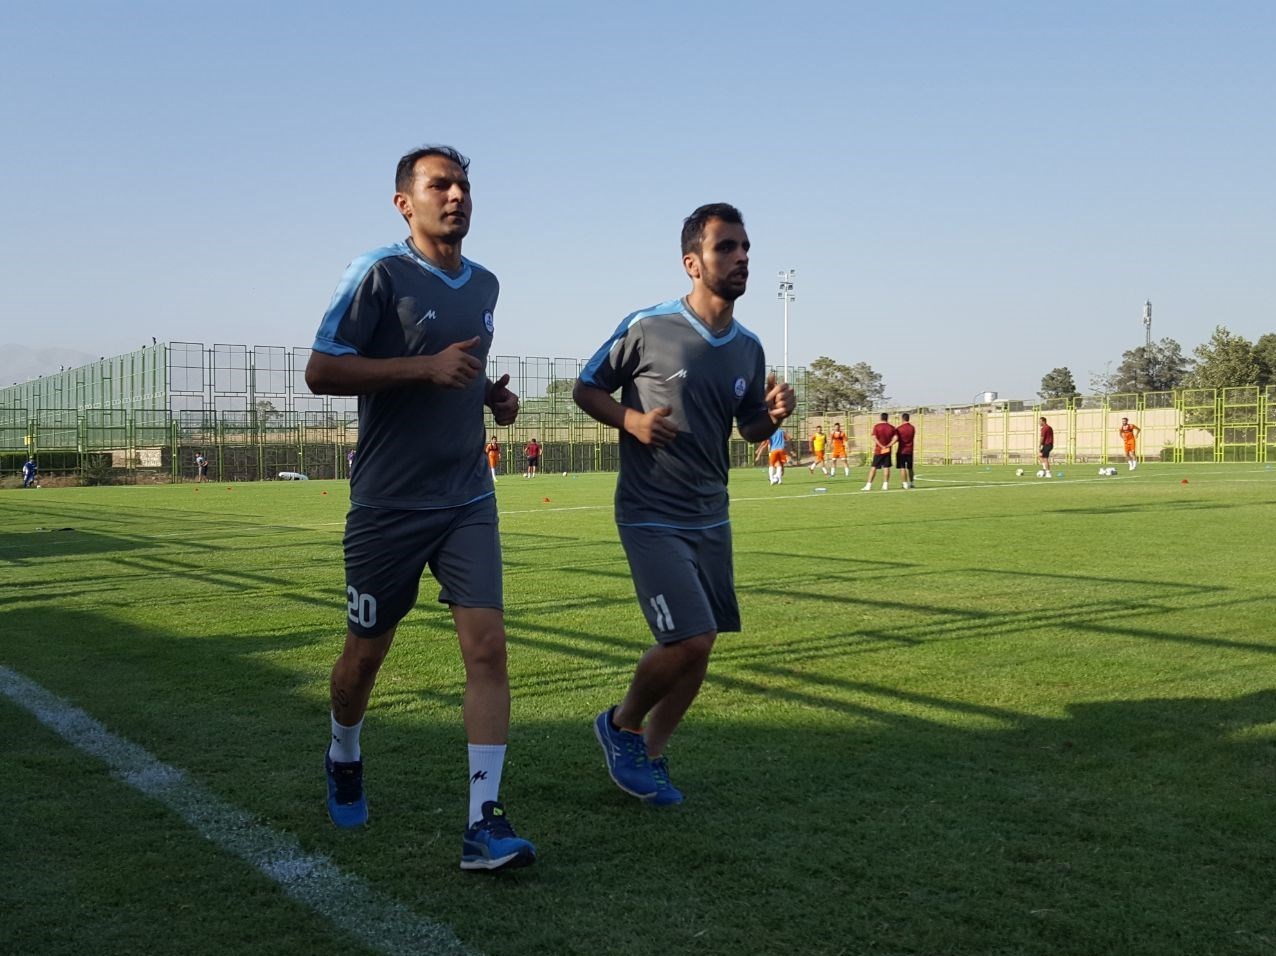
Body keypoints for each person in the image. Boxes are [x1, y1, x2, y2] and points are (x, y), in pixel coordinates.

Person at [304, 144, 535, 872]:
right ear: (405, 203)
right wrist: (424, 367)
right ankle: (344, 750)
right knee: (364, 656)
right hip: (389, 504)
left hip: (467, 497)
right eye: (440, 185)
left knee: (488, 648)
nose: (456, 195)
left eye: (463, 184)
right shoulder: (377, 271)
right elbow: (321, 370)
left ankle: (483, 822)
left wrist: (491, 398)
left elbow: (459, 372)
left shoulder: (487, 283)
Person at [573, 202, 794, 806]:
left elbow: (747, 427)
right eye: (727, 248)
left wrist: (772, 417)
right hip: (650, 511)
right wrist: (632, 421)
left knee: (703, 643)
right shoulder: (649, 326)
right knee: (690, 638)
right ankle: (620, 724)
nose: (741, 258)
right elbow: (586, 387)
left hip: (711, 514)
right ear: (692, 263)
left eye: (745, 248)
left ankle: (651, 752)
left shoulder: (748, 347)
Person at [862, 413, 896, 491]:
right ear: (887, 418)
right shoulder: (891, 427)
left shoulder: (877, 426)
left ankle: (868, 485)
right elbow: (896, 437)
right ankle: (885, 485)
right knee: (886, 467)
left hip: (878, 450)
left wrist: (881, 446)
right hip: (887, 450)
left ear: (881, 418)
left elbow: (874, 437)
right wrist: (889, 445)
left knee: (873, 467)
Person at [895, 413, 916, 489]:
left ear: (902, 418)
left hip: (902, 450)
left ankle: (905, 484)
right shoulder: (912, 428)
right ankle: (912, 483)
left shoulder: (899, 428)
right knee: (910, 468)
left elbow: (897, 439)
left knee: (902, 467)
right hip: (910, 450)